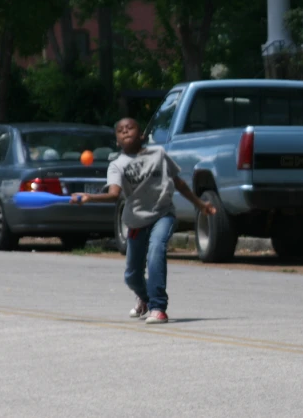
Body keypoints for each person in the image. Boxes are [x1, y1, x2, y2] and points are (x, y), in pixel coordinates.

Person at [71, 117, 216, 324]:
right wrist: (89, 197)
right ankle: (145, 298)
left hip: (163, 213)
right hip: (137, 220)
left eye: (130, 127)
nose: (126, 131)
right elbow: (114, 194)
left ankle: (158, 307)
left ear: (141, 135)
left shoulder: (159, 154)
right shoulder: (117, 165)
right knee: (131, 275)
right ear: (117, 141)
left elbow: (179, 183)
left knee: (157, 248)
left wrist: (200, 205)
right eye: (120, 130)